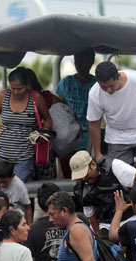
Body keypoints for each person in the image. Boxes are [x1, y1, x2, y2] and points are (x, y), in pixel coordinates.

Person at [0, 67, 53, 182]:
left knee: (19, 190)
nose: (15, 92)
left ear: (27, 86)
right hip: (2, 155)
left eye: (19, 89)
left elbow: (48, 118)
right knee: (1, 188)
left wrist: (44, 133)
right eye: (12, 88)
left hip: (24, 158)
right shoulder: (3, 96)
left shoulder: (36, 98)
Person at [70, 150, 136, 236]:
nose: (83, 179)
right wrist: (98, 240)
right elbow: (91, 217)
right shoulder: (82, 190)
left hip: (131, 217)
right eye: (80, 176)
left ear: (93, 164)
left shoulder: (113, 166)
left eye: (85, 174)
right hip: (106, 225)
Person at [56, 47, 97, 176]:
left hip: (88, 141)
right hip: (68, 141)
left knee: (86, 177)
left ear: (91, 62)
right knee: (69, 179)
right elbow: (58, 107)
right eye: (76, 61)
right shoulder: (66, 82)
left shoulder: (97, 84)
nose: (79, 65)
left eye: (83, 61)